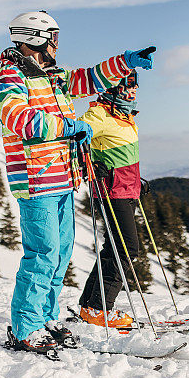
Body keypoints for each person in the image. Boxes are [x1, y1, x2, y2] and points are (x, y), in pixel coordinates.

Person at [0, 10, 154, 354]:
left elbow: (88, 79)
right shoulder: (9, 76)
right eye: (53, 37)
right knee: (43, 254)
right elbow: (19, 118)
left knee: (61, 253)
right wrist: (66, 128)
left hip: (63, 177)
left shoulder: (52, 76)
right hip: (36, 180)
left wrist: (124, 63)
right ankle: (25, 327)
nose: (56, 44)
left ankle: (47, 317)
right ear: (35, 38)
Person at [77, 69, 146, 328]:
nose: (133, 91)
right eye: (128, 85)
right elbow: (76, 138)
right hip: (111, 191)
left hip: (125, 188)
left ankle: (90, 306)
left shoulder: (125, 116)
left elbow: (119, 156)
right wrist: (89, 166)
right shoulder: (100, 114)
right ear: (114, 87)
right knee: (127, 248)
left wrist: (136, 180)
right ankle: (99, 309)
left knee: (114, 248)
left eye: (135, 86)